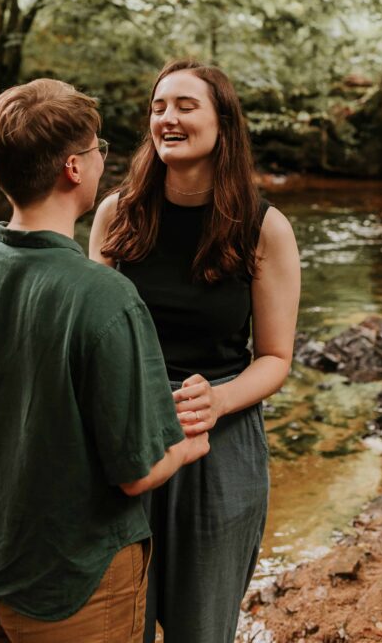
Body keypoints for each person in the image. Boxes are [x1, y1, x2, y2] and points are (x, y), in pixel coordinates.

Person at [0, 78, 210, 643]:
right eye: (98, 149)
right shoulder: (104, 296)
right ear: (73, 169)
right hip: (74, 588)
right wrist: (189, 443)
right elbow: (136, 472)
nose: (104, 159)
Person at [89, 59, 301, 643]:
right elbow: (90, 341)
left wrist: (220, 399)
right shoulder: (116, 214)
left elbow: (276, 358)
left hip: (219, 446)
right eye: (159, 107)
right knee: (117, 625)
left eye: (186, 105)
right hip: (126, 441)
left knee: (201, 631)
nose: (168, 118)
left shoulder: (263, 228)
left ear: (222, 125)